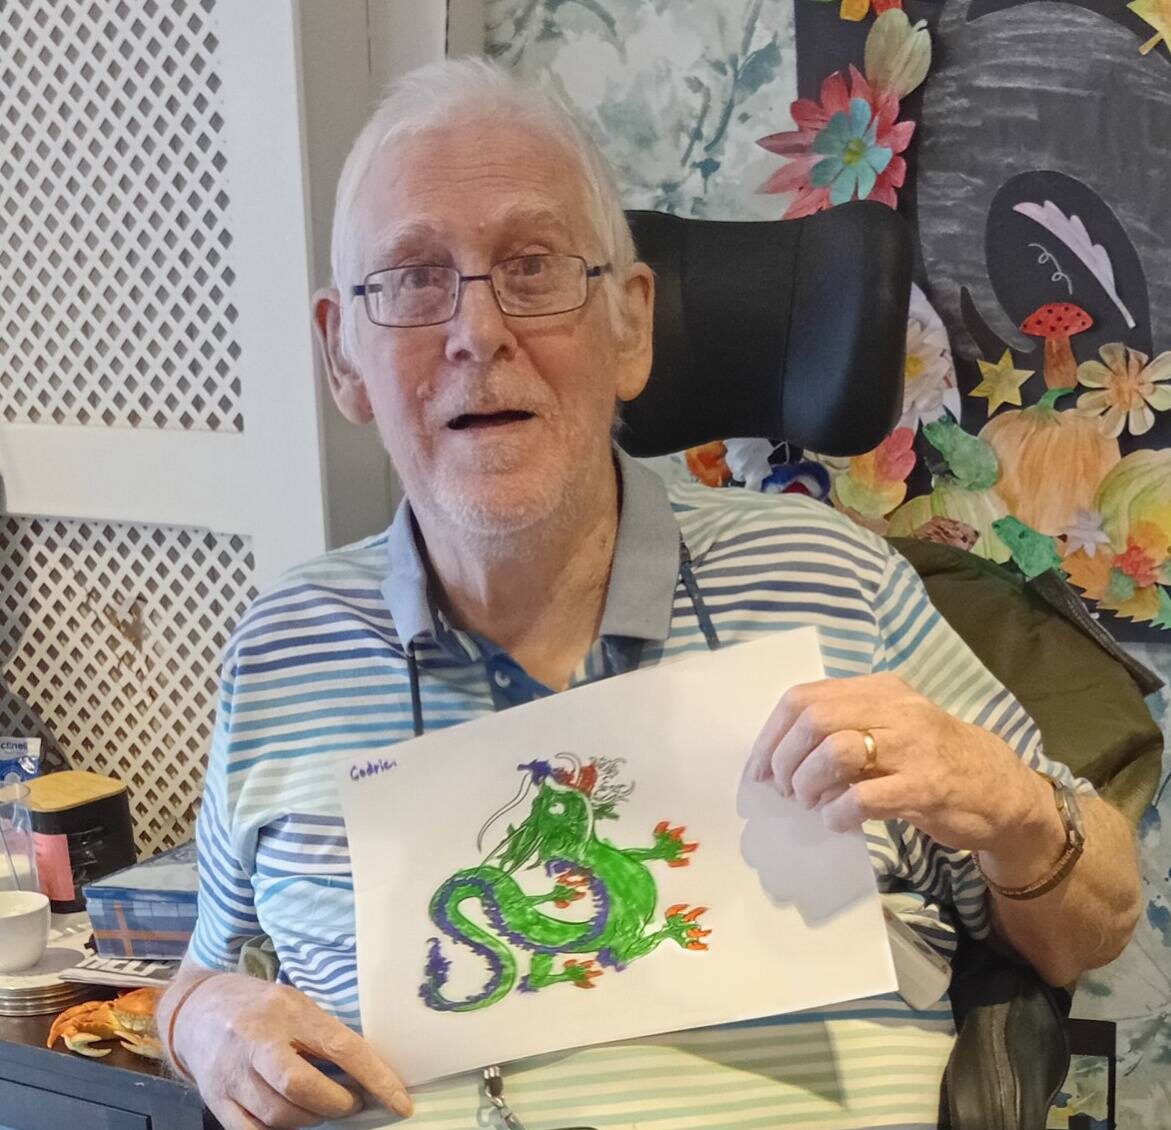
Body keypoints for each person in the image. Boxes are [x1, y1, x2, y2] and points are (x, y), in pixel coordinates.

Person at [158, 58, 1141, 1130]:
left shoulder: (832, 580)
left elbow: (1087, 926)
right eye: (410, 277)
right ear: (343, 356)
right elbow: (205, 967)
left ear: (629, 323)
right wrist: (198, 1021)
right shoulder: (281, 649)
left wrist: (1007, 802)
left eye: (531, 266)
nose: (476, 332)